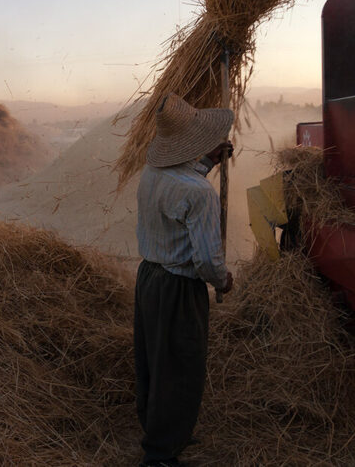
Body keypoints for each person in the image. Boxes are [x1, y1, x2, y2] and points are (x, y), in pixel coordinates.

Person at [133, 93, 234, 467]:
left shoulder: (152, 173)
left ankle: (160, 430)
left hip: (148, 279)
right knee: (180, 366)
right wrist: (223, 282)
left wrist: (209, 161)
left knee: (154, 361)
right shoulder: (200, 194)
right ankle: (160, 455)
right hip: (178, 288)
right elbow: (207, 261)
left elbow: (180, 190)